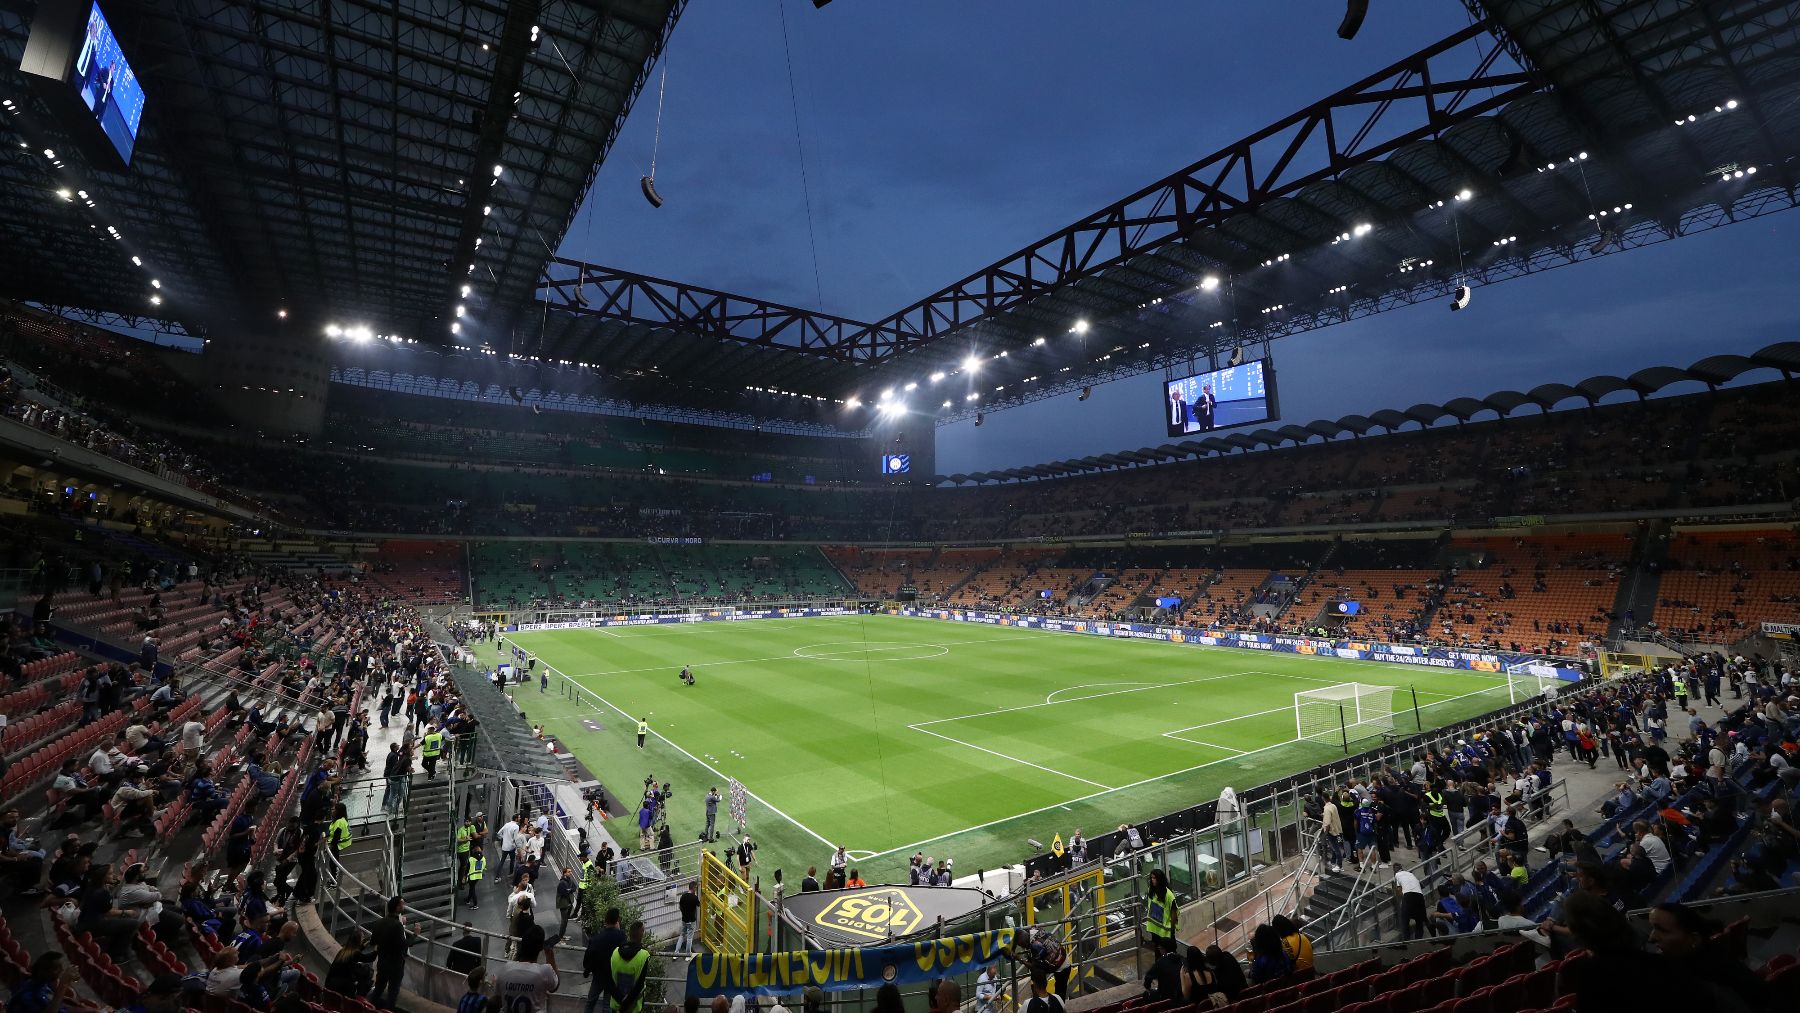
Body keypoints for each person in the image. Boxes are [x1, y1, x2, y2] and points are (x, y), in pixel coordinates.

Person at [1648, 902, 1773, 1012]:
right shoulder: (1714, 957)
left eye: (1662, 930)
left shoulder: (1705, 985)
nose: (1651, 938)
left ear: (1694, 939)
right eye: (1652, 928)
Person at [497, 923, 559, 1013]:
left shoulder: (505, 969)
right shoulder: (544, 971)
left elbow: (498, 999)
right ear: (540, 948)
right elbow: (554, 986)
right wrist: (550, 955)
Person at [369, 895, 413, 1009]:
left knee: (379, 988)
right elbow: (404, 945)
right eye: (402, 903)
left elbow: (373, 941)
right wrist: (415, 935)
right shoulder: (397, 925)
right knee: (392, 993)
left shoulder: (379, 922)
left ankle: (368, 1008)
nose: (405, 905)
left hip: (382, 962)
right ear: (397, 908)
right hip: (395, 965)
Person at [583, 907, 625, 1013]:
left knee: (590, 1002)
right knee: (607, 1005)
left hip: (598, 976)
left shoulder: (596, 939)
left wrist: (588, 970)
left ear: (605, 920)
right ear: (617, 921)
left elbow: (587, 958)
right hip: (612, 977)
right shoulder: (621, 936)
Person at [9, 951, 82, 1013]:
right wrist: (63, 984)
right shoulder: (27, 994)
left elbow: (60, 1006)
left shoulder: (43, 985)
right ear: (44, 971)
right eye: (57, 968)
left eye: (61, 967)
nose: (61, 971)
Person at [608, 921, 651, 1013]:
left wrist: (620, 1003)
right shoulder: (644, 955)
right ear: (642, 933)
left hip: (616, 1005)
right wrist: (625, 1006)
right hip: (633, 1007)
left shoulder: (615, 952)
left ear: (629, 934)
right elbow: (639, 986)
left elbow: (610, 981)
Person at [1181, 945, 1229, 1010]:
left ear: (1189, 960)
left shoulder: (1188, 976)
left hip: (1199, 1009)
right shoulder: (1211, 972)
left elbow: (1186, 996)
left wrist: (1181, 975)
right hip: (1214, 1007)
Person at [1142, 868, 1179, 951]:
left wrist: (1172, 929)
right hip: (1155, 929)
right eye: (1151, 878)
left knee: (1170, 951)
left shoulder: (1169, 895)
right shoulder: (1151, 891)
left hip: (1166, 931)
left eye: (1154, 878)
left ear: (1160, 879)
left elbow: (1174, 912)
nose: (1152, 880)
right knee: (1158, 950)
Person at [1140, 936, 1184, 1003]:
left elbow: (1148, 977)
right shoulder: (1181, 960)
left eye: (1159, 948)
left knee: (1146, 994)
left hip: (1167, 996)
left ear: (1163, 949)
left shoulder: (1161, 962)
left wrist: (1148, 987)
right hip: (1180, 994)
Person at [1392, 863, 1427, 940]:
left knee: (1405, 921)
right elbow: (1420, 885)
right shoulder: (1411, 874)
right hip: (1419, 896)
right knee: (1419, 921)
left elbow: (1399, 890)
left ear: (1394, 871)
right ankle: (1418, 940)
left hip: (1408, 897)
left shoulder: (1397, 875)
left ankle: (1407, 941)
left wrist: (1403, 898)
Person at [678, 881, 701, 956]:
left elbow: (680, 907)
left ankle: (675, 952)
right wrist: (696, 896)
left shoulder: (683, 896)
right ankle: (688, 954)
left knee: (681, 935)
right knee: (689, 938)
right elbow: (698, 905)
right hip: (691, 921)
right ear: (694, 888)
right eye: (696, 888)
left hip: (684, 920)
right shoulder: (694, 898)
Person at [556, 866, 580, 937]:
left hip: (569, 903)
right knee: (564, 921)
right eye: (569, 872)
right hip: (564, 904)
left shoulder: (570, 880)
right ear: (564, 873)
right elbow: (564, 893)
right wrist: (570, 890)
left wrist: (569, 890)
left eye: (571, 871)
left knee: (566, 920)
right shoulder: (562, 883)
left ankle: (562, 935)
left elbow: (574, 888)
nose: (571, 873)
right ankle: (560, 936)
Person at [466, 844, 487, 908]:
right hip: (478, 876)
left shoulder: (471, 859)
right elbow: (484, 867)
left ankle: (475, 904)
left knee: (472, 889)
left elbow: (467, 869)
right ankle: (468, 900)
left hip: (471, 877)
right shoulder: (483, 858)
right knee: (472, 888)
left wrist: (465, 876)